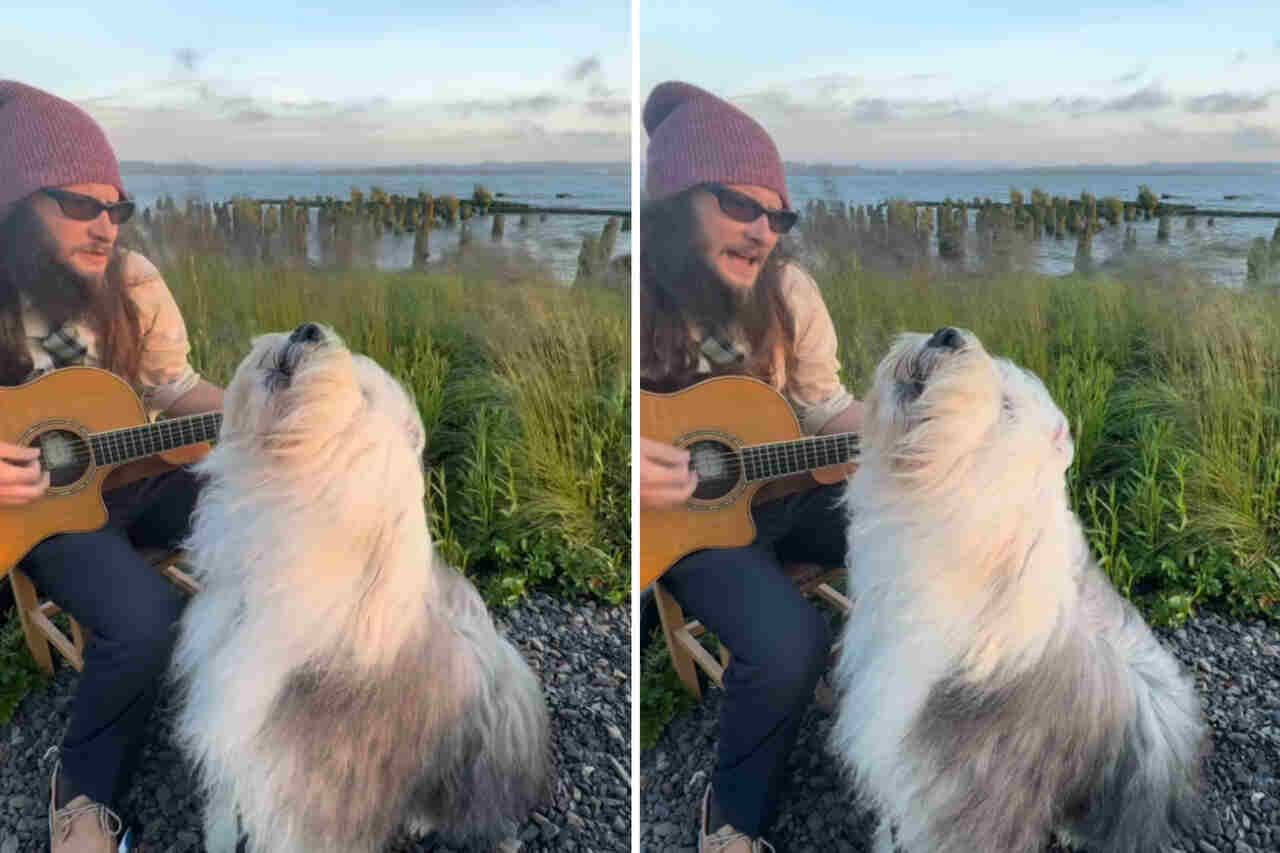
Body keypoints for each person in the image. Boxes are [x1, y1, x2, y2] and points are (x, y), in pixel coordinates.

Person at [0, 80, 225, 853]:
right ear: (20, 199)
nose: (106, 226)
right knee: (142, 620)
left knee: (257, 510)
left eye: (116, 207)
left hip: (136, 476)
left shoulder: (132, 283)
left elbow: (179, 389)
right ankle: (83, 796)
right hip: (43, 510)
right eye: (81, 204)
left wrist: (259, 412)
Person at [639, 81, 863, 853]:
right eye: (741, 204)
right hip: (690, 529)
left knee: (918, 512)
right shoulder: (627, 295)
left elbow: (826, 405)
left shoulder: (790, 293)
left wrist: (893, 429)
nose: (765, 230)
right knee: (789, 643)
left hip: (785, 494)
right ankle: (730, 820)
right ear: (675, 195)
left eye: (778, 215)